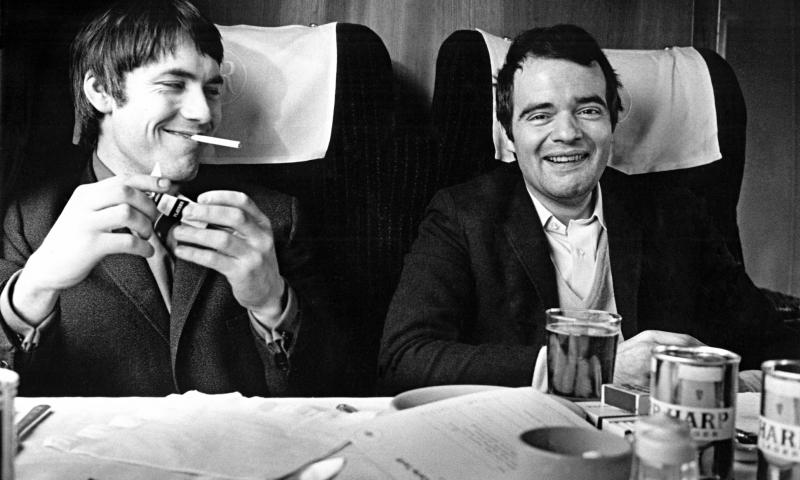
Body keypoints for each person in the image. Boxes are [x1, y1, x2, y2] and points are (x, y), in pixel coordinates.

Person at [378, 24, 799, 394]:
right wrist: (595, 365)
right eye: (539, 115)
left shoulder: (675, 215)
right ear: (508, 134)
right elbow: (404, 358)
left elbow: (775, 347)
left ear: (613, 121)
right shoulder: (462, 216)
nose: (567, 133)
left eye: (588, 110)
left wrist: (722, 382)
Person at [0, 0, 342, 396]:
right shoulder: (30, 222)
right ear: (100, 91)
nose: (204, 114)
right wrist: (31, 292)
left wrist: (272, 305)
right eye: (173, 85)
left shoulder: (272, 218)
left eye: (212, 90)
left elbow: (337, 392)